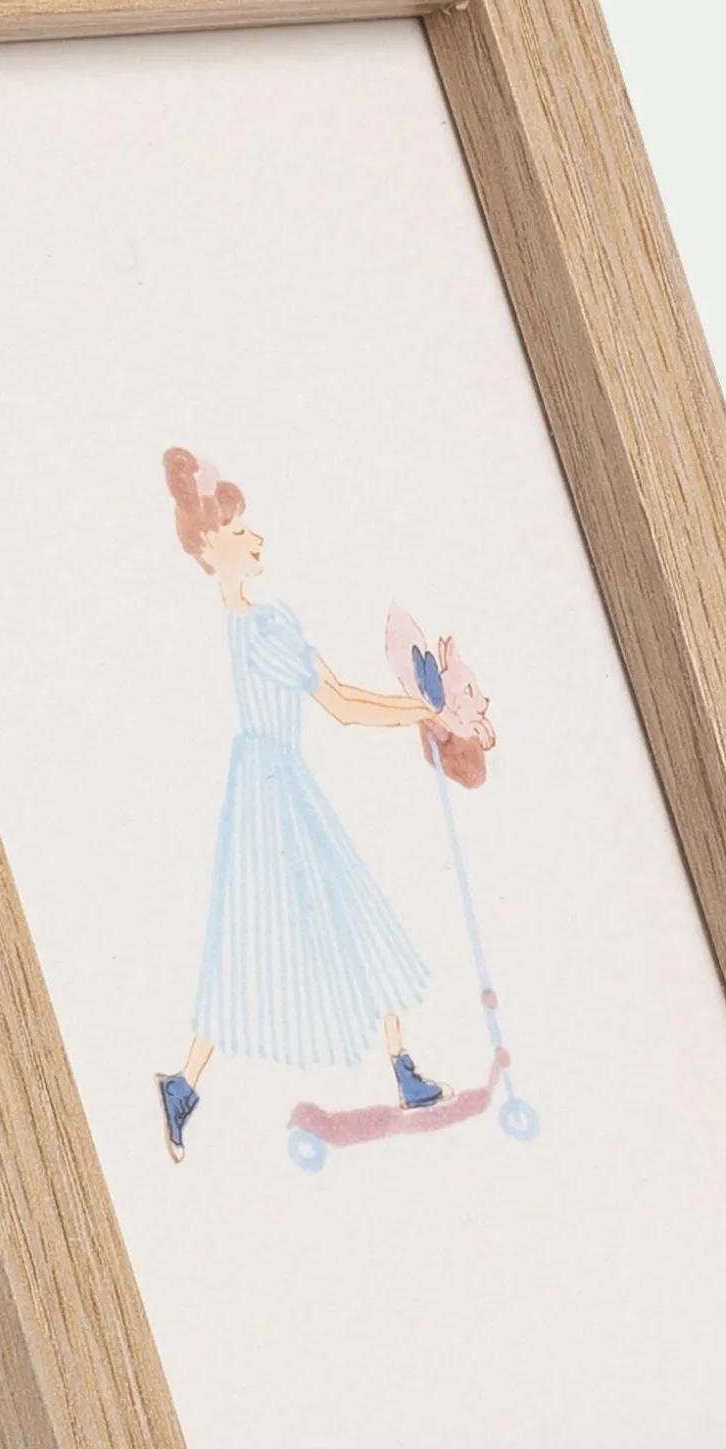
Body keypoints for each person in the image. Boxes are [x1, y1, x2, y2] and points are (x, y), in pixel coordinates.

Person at [156, 447, 449, 1162]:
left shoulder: (263, 622)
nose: (256, 537)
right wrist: (419, 710)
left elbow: (341, 697)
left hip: (268, 782)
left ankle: (397, 1065)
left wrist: (416, 710)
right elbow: (342, 704)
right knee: (279, 927)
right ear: (209, 547)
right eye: (238, 530)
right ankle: (395, 1068)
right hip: (273, 788)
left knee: (300, 920)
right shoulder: (260, 628)